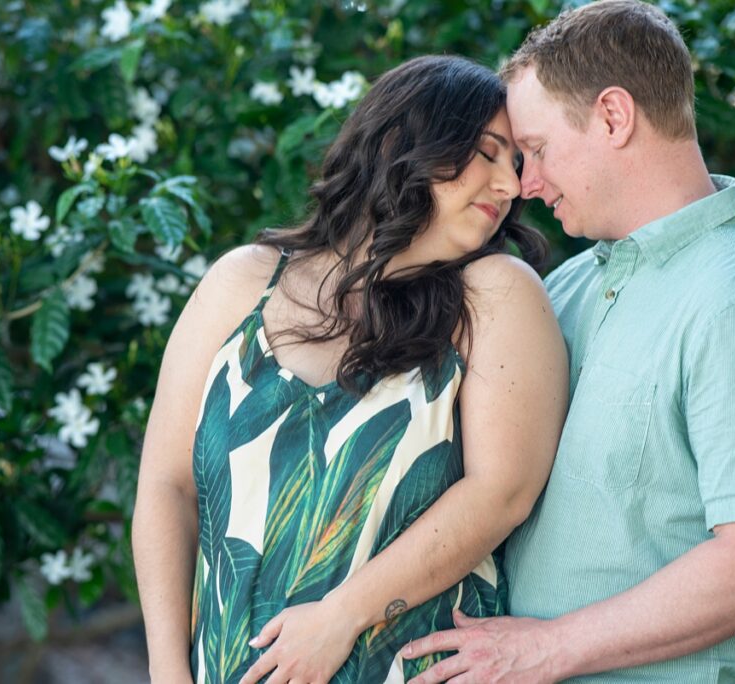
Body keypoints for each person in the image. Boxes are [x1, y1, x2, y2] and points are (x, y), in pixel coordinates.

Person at [404, 2, 735, 682]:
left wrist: (546, 648)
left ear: (613, 116)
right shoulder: (566, 288)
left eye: (537, 150)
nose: (525, 184)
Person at [131, 55, 568, 683]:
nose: (511, 186)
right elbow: (166, 487)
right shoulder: (242, 282)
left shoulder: (496, 295)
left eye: (518, 164)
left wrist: (341, 616)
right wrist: (168, 671)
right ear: (402, 142)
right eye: (488, 154)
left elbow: (502, 493)